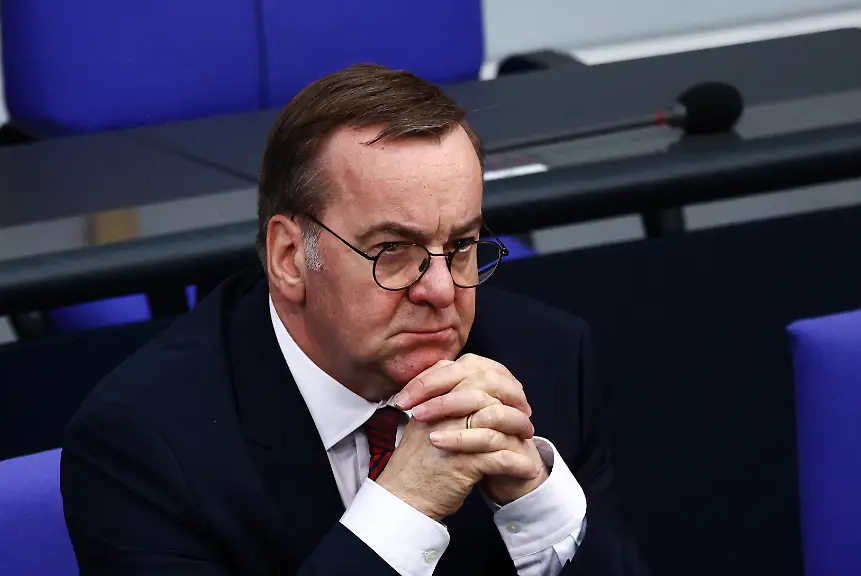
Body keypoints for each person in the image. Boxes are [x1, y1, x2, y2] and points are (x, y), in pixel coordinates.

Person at [61, 64, 647, 575]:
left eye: (461, 246)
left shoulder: (543, 359)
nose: (442, 290)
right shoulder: (146, 442)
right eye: (393, 250)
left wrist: (537, 503)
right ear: (290, 257)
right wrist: (405, 509)